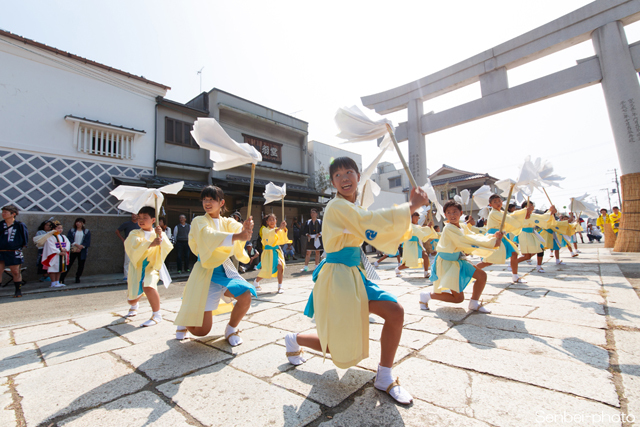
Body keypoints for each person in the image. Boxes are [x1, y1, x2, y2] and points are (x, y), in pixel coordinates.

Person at [284, 156, 430, 405]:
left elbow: (373, 224)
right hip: (338, 277)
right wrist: (409, 206)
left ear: (358, 177)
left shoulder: (354, 207)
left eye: (348, 172)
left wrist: (419, 224)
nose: (344, 178)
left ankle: (384, 376)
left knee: (395, 312)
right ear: (332, 182)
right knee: (338, 345)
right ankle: (293, 338)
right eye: (338, 175)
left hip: (355, 273)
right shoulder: (337, 207)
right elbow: (371, 223)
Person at [174, 185, 255, 344]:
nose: (207, 203)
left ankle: (231, 329)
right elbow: (208, 236)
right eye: (205, 199)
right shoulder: (199, 221)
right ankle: (184, 319)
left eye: (212, 199)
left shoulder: (228, 222)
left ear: (222, 202)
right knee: (202, 331)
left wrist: (245, 229)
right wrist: (238, 235)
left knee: (245, 295)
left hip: (225, 270)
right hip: (206, 272)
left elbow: (238, 229)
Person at [419, 200, 502, 313]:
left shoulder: (462, 226)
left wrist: (492, 237)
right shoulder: (449, 228)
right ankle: (427, 296)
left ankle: (474, 303)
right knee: (458, 299)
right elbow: (465, 240)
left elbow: (473, 235)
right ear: (445, 215)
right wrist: (492, 242)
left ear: (461, 213)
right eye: (449, 212)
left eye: (455, 212)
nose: (452, 215)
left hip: (459, 260)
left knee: (482, 276)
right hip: (447, 264)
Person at [124, 206, 173, 327]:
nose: (141, 220)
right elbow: (131, 244)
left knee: (149, 285)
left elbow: (167, 246)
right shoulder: (134, 233)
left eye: (144, 217)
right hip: (137, 266)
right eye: (139, 217)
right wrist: (150, 244)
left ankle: (157, 315)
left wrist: (160, 237)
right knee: (132, 299)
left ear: (153, 220)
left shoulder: (157, 232)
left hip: (151, 266)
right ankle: (135, 304)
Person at [475, 194, 527, 283]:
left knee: (514, 253)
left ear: (502, 202)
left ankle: (515, 276)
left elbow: (511, 216)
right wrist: (525, 212)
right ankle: (471, 272)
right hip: (494, 237)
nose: (498, 203)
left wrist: (525, 211)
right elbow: (509, 219)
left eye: (499, 201)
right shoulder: (494, 213)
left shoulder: (501, 212)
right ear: (490, 205)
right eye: (495, 202)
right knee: (488, 261)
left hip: (502, 237)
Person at [514, 201, 556, 273]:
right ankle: (512, 263)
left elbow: (543, 218)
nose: (531, 207)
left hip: (532, 234)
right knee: (527, 255)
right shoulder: (520, 215)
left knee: (538, 250)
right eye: (529, 206)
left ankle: (539, 267)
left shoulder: (533, 215)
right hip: (524, 234)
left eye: (532, 205)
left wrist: (550, 211)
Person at [254, 213, 290, 293]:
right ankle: (256, 282)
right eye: (270, 220)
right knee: (267, 270)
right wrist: (280, 228)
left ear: (276, 220)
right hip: (268, 253)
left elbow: (282, 238)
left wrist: (283, 229)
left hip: (276, 252)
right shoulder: (264, 229)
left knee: (280, 266)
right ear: (266, 222)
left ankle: (280, 286)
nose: (272, 221)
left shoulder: (277, 229)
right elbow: (269, 234)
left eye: (273, 219)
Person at [395, 212, 436, 278]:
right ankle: (397, 269)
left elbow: (421, 230)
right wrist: (427, 227)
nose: (417, 219)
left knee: (425, 256)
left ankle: (426, 273)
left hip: (417, 244)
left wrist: (428, 227)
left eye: (418, 217)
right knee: (409, 262)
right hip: (410, 245)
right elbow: (419, 231)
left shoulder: (417, 226)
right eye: (415, 217)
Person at [0, 205, 28, 297]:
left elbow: (25, 237)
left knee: (15, 271)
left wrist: (20, 247)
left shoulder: (19, 225)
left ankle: (18, 291)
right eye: (2, 212)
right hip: (1, 250)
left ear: (13, 214)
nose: (3, 214)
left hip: (13, 251)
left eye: (5, 212)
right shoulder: (0, 224)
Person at [60, 218, 91, 284]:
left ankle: (77, 278)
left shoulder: (86, 231)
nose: (78, 223)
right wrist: (76, 245)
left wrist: (81, 247)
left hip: (82, 250)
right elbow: (69, 238)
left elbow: (87, 241)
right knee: (68, 264)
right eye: (77, 222)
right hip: (73, 249)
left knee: (81, 265)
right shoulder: (72, 230)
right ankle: (62, 278)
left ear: (83, 223)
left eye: (80, 222)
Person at [42, 221, 70, 289]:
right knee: (53, 268)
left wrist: (65, 249)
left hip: (62, 254)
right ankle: (53, 282)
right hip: (54, 255)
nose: (60, 230)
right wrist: (58, 252)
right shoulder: (50, 237)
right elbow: (50, 246)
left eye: (61, 228)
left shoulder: (63, 237)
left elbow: (68, 243)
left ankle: (58, 281)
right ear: (54, 229)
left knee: (60, 268)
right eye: (58, 228)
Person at [116, 214, 140, 280]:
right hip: (129, 244)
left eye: (135, 215)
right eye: (132, 215)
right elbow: (117, 231)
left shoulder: (140, 224)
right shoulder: (127, 224)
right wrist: (122, 239)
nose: (134, 216)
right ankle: (126, 276)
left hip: (138, 244)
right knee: (127, 260)